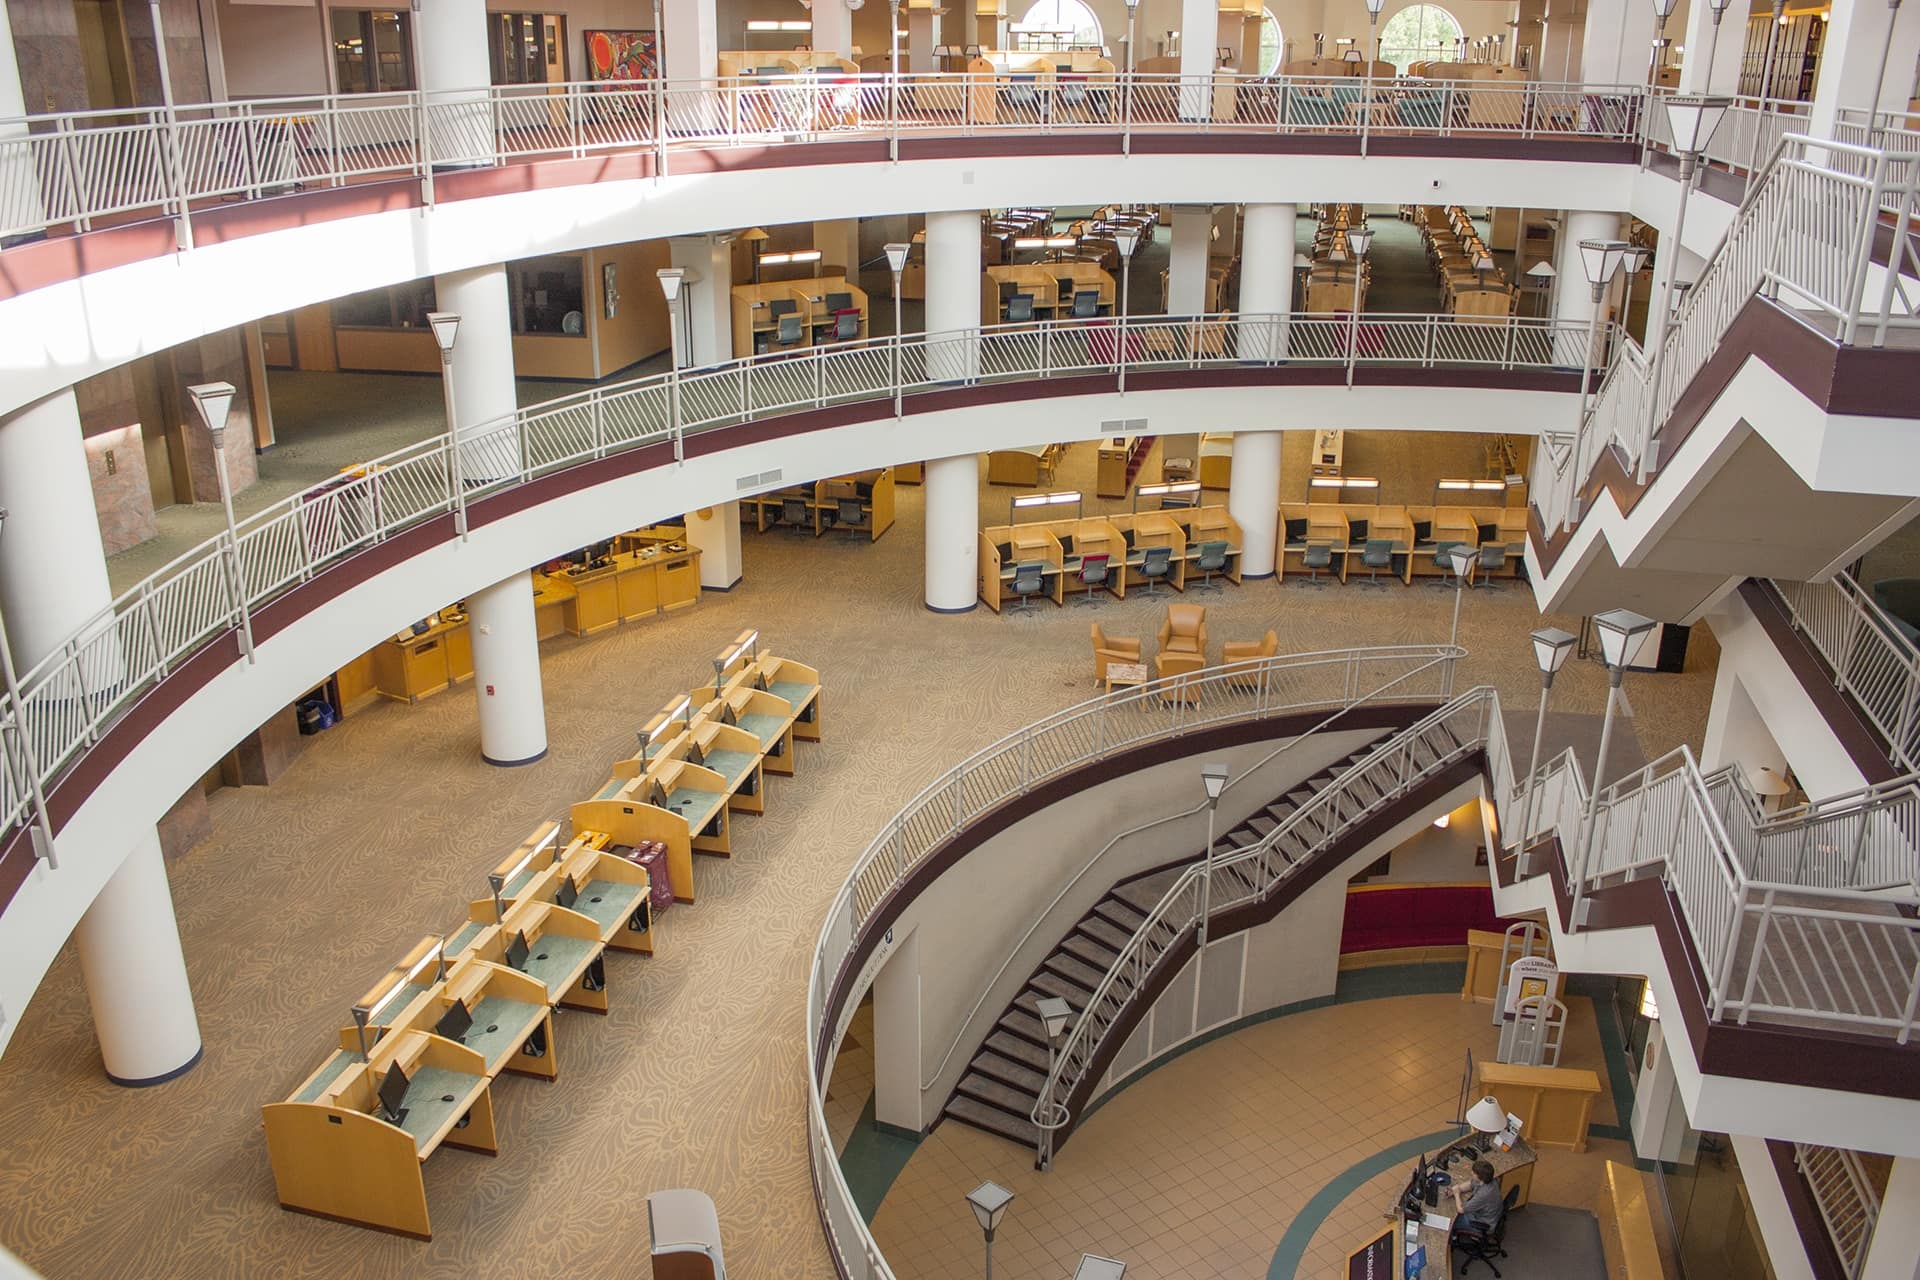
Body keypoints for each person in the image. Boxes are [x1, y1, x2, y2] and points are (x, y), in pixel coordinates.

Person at [1448, 1159, 1503, 1235]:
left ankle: (1453, 1236)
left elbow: (1461, 1210)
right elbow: (1471, 1184)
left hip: (1483, 1223)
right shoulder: (1490, 1180)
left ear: (1480, 1177)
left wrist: (1456, 1194)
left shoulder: (1483, 1194)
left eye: (1474, 1173)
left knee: (1451, 1222)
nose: (1471, 1173)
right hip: (1489, 1214)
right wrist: (1458, 1188)